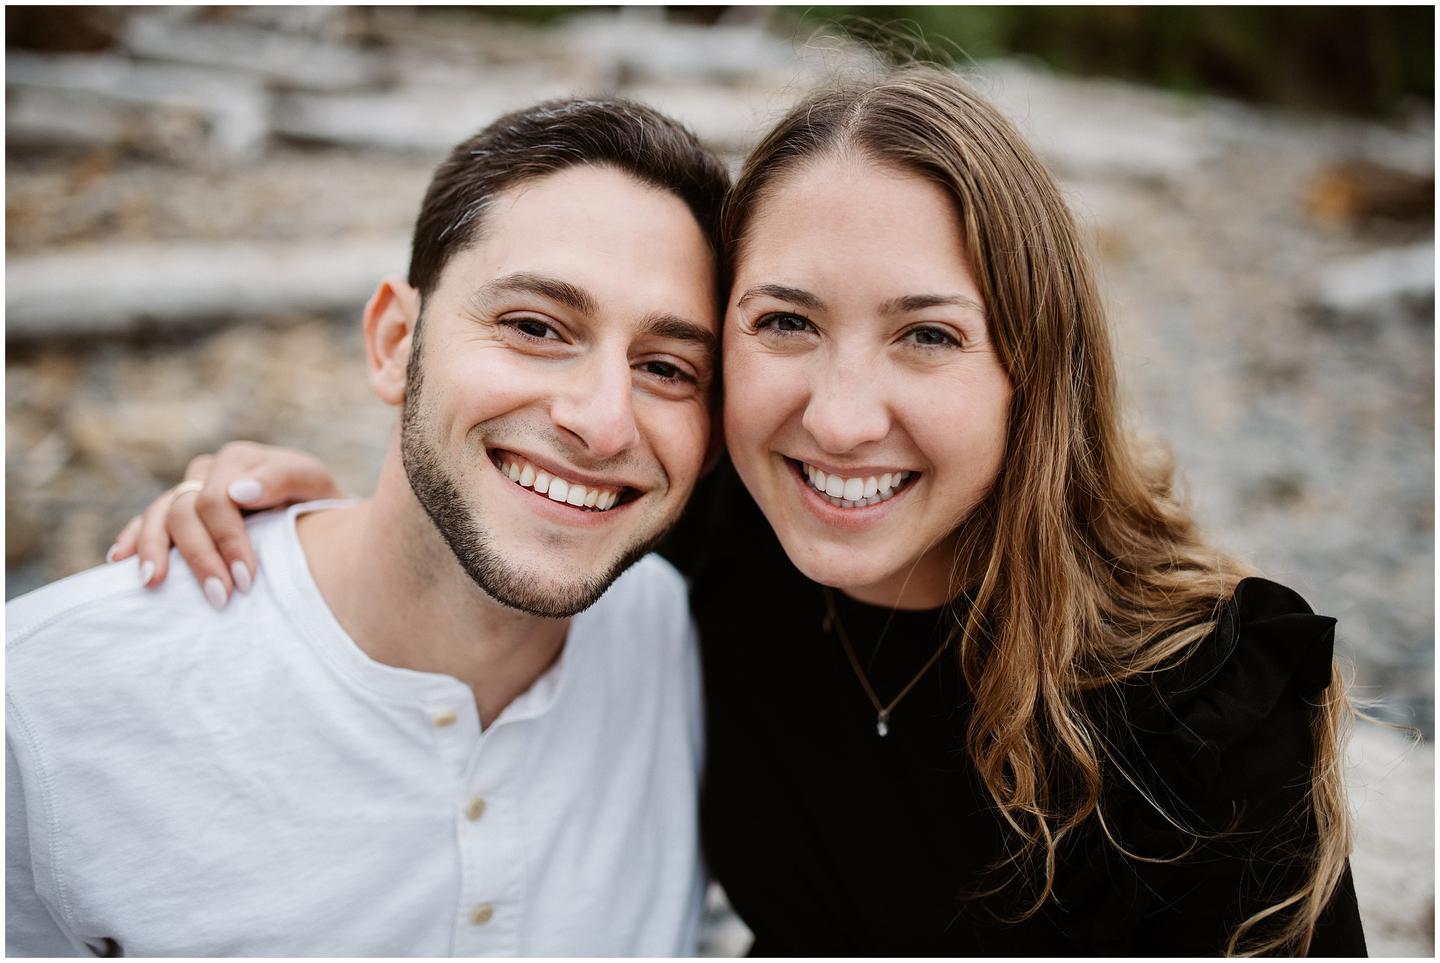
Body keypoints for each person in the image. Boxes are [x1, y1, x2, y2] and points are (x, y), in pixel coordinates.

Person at [108, 66, 1367, 956]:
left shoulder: (1208, 702)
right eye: (785, 324)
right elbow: (512, 482)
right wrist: (285, 499)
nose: (837, 418)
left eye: (927, 335)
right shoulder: (724, 540)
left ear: (1030, 374)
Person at [6, 97, 731, 956]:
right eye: (534, 326)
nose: (604, 421)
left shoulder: (692, 634)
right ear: (394, 340)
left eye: (667, 367)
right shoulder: (47, 703)